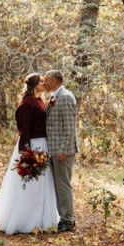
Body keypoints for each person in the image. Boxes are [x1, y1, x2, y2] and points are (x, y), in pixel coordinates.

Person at [0, 73, 59, 234]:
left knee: (43, 182)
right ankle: (26, 220)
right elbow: (24, 129)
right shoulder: (26, 104)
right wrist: (27, 153)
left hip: (43, 144)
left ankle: (42, 219)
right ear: (35, 85)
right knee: (32, 182)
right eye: (42, 81)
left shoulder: (39, 100)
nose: (45, 83)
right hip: (34, 145)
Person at [43, 69, 78, 232]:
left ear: (56, 80)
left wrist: (64, 150)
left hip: (62, 150)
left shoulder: (65, 97)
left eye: (47, 80)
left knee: (63, 185)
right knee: (58, 185)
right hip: (54, 148)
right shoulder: (54, 96)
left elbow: (70, 128)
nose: (44, 83)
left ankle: (67, 220)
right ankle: (64, 216)